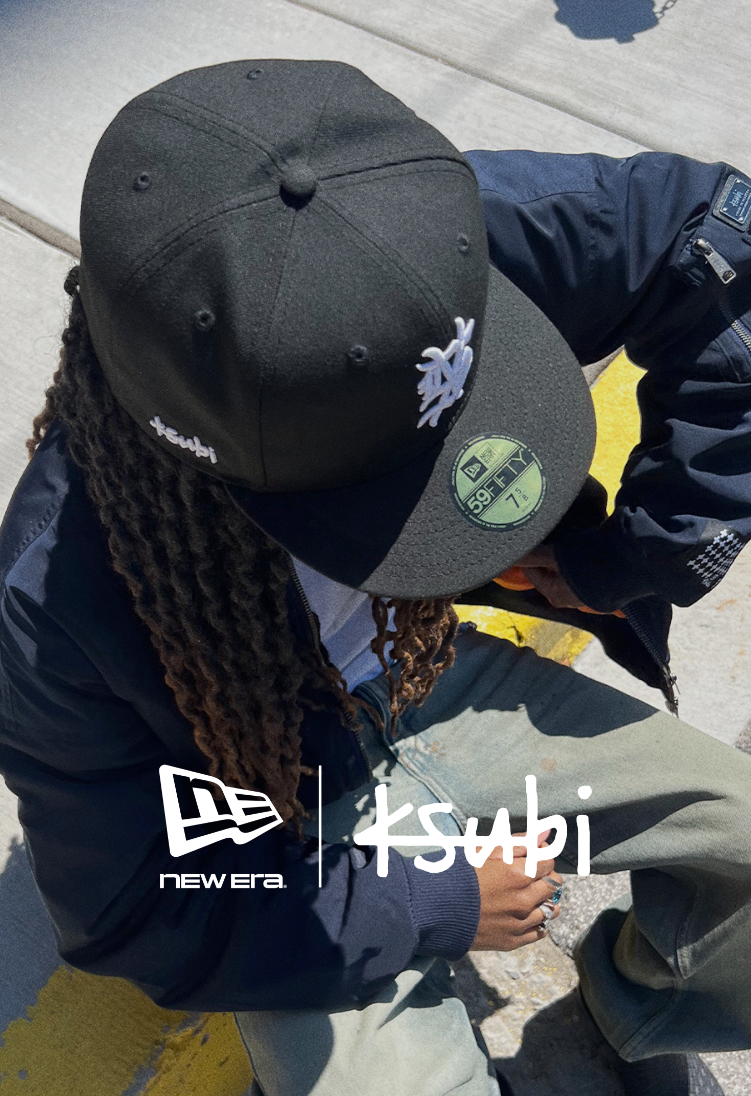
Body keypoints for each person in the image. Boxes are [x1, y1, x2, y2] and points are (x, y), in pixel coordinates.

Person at [1, 59, 750, 1096]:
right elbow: (137, 908)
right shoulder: (49, 606)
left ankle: (638, 1015)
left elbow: (716, 238)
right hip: (266, 806)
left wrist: (642, 550)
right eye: (384, 494)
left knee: (740, 833)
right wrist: (437, 903)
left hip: (428, 688)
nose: (440, 505)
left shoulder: (405, 253)